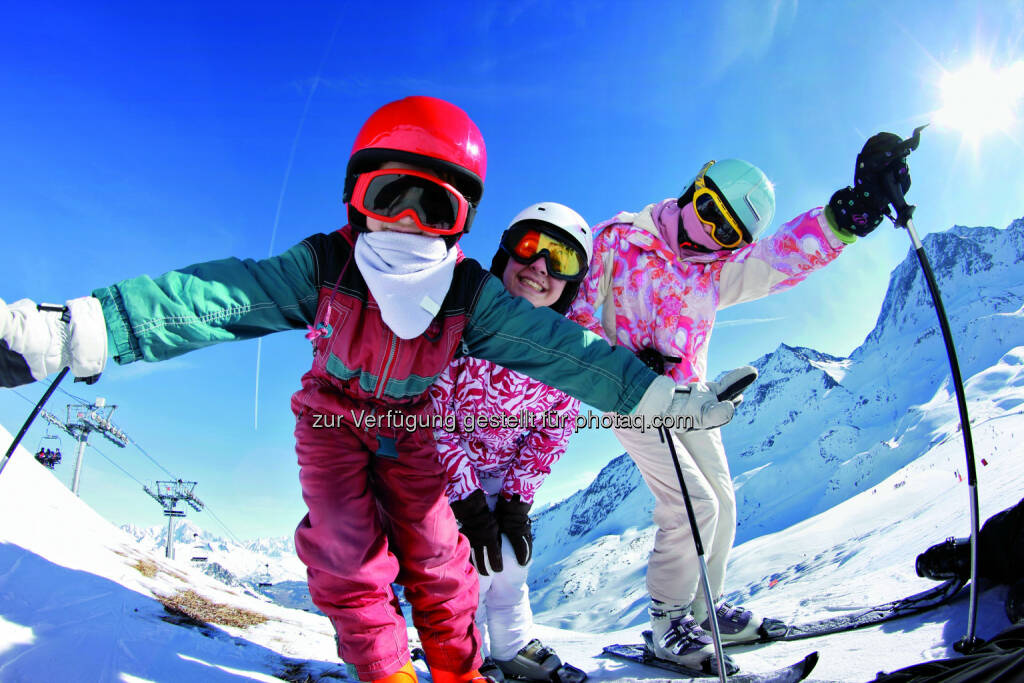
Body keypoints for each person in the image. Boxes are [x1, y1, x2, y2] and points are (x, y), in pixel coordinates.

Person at [0, 96, 751, 683]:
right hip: (330, 425)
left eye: (436, 208)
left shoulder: (469, 295)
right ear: (357, 198)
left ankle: (458, 665)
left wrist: (665, 402)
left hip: (412, 430)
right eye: (393, 195)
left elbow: (570, 356)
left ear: (460, 224)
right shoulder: (327, 267)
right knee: (348, 552)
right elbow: (218, 297)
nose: (411, 223)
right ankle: (386, 669)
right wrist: (81, 329)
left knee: (440, 557)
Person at [568, 135, 908, 670]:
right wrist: (626, 365)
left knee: (723, 504)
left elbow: (776, 259)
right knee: (692, 504)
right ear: (693, 188)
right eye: (708, 211)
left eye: (727, 231)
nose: (709, 232)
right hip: (629, 395)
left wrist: (844, 218)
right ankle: (666, 624)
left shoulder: (714, 266)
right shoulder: (618, 241)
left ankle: (704, 611)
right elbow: (577, 318)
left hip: (692, 400)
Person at [429, 202, 591, 682]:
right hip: (443, 474)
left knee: (511, 556)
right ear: (504, 256)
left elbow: (550, 434)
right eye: (528, 247)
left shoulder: (565, 353)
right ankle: (462, 651)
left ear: (569, 285)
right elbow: (434, 417)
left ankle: (512, 644)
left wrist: (515, 502)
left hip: (500, 475)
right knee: (467, 564)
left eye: (559, 259)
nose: (540, 265)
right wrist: (468, 502)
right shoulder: (462, 325)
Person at [916, 496, 1024, 625]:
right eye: (951, 565)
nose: (957, 561)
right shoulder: (992, 569)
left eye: (952, 557)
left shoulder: (991, 531)